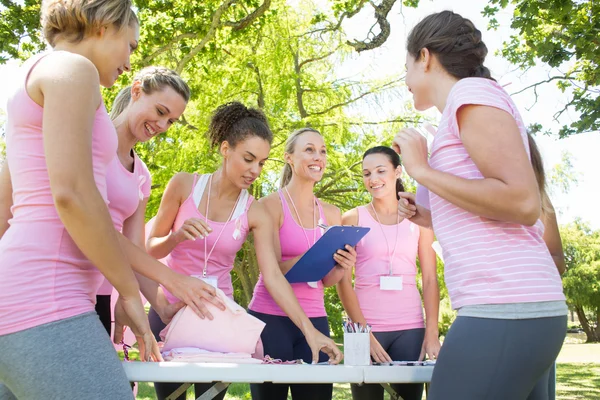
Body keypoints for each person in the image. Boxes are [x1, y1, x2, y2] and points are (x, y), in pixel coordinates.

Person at [393, 11, 567, 400]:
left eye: (405, 66)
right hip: (516, 310)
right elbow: (489, 207)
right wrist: (426, 213)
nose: (404, 80)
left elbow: (523, 202)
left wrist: (421, 170)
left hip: (506, 307)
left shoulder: (471, 94)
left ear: (425, 57)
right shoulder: (461, 109)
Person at [0, 1, 158, 398]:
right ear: (106, 24)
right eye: (130, 45)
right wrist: (127, 290)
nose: (129, 60)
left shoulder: (39, 74)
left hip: (27, 295)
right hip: (43, 298)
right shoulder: (73, 69)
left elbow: (9, 192)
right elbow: (72, 194)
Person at [146, 104, 342, 400]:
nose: (254, 170)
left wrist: (309, 330)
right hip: (169, 312)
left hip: (218, 322)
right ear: (226, 149)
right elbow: (148, 249)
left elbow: (273, 276)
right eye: (248, 159)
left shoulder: (255, 210)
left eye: (262, 163)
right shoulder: (184, 185)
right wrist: (176, 238)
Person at [248, 127, 356, 400]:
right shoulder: (268, 206)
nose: (318, 156)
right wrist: (317, 255)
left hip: (316, 318)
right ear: (289, 158)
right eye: (309, 149)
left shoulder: (332, 213)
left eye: (322, 151)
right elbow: (272, 270)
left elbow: (327, 280)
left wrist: (342, 266)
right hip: (270, 319)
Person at [337, 146, 440, 400]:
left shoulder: (419, 217)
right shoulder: (352, 218)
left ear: (397, 171)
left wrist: (432, 333)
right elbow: (343, 282)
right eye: (366, 173)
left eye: (380, 171)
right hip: (366, 328)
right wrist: (364, 334)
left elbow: (429, 279)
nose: (373, 179)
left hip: (411, 329)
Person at [95, 66, 192, 336]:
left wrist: (161, 307)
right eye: (161, 112)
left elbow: (136, 248)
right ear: (137, 91)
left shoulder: (141, 175)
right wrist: (172, 280)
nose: (162, 125)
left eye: (171, 121)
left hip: (102, 291)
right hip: (62, 286)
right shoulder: (91, 140)